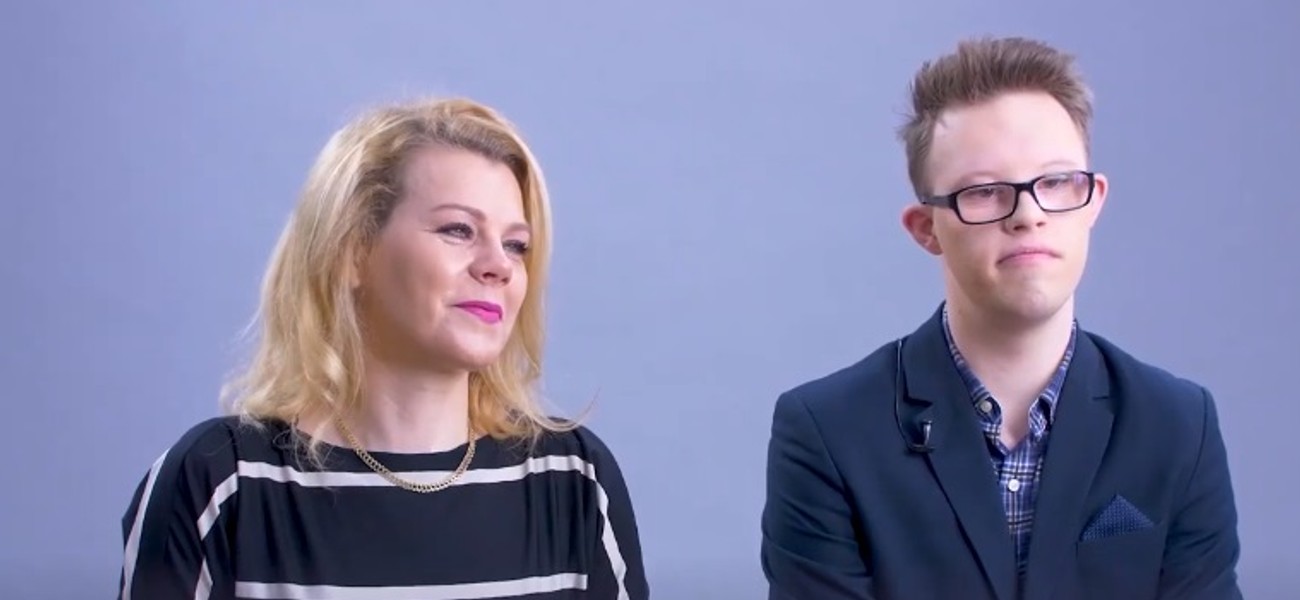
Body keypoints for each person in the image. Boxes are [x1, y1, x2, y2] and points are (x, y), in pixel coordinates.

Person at [760, 36, 1242, 600]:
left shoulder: (1178, 425)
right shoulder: (828, 432)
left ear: (1093, 200)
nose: (1028, 214)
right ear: (926, 228)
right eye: (985, 191)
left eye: (1056, 182)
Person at [117, 97, 650, 600]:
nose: (499, 266)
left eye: (516, 245)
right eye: (458, 230)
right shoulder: (221, 481)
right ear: (353, 253)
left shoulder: (576, 479)